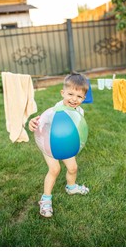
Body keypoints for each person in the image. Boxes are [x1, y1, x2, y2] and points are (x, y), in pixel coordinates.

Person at [29, 72, 89, 217]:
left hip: (66, 143)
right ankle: (45, 199)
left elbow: (78, 129)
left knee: (73, 168)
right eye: (70, 94)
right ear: (63, 93)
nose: (74, 99)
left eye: (79, 96)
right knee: (55, 169)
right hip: (49, 144)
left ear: (84, 98)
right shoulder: (55, 111)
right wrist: (33, 123)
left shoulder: (79, 111)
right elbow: (40, 122)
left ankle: (71, 187)